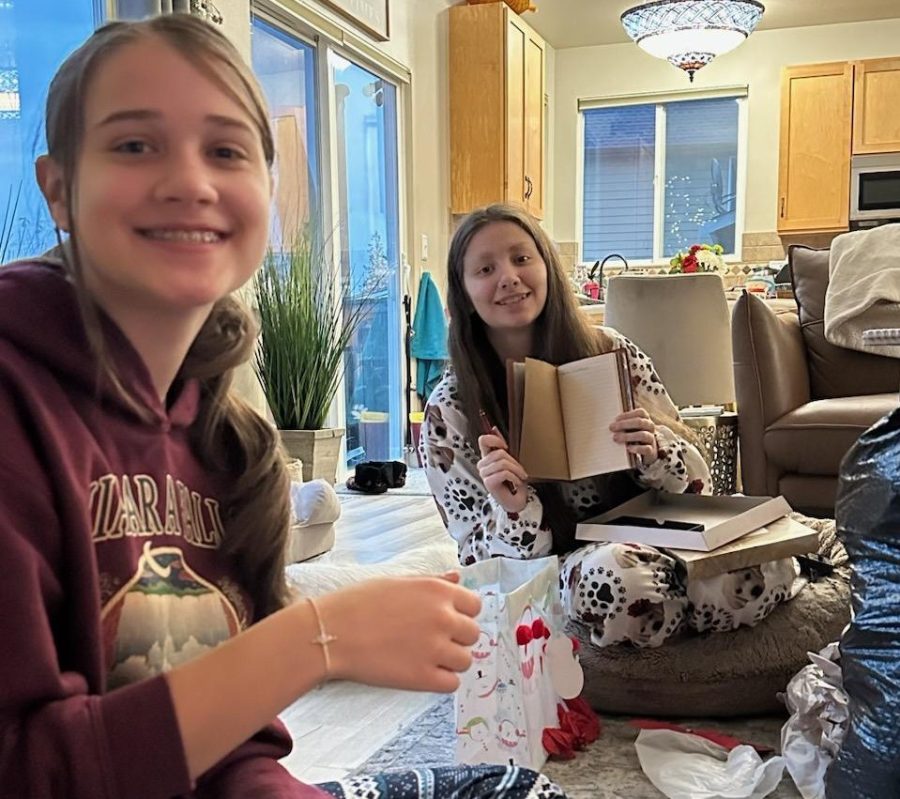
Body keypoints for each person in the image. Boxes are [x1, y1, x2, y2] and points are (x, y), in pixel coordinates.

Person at [0, 16, 567, 799]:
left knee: (516, 789)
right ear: (58, 187)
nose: (191, 181)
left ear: (266, 194)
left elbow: (234, 754)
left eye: (226, 150)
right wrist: (314, 640)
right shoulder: (14, 408)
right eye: (134, 145)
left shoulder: (224, 439)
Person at [420, 203, 797, 650]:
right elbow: (477, 561)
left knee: (772, 557)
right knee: (619, 580)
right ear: (462, 293)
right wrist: (517, 509)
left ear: (546, 267)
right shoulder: (451, 409)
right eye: (485, 268)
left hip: (657, 539)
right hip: (560, 571)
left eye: (522, 258)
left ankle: (661, 617)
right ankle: (671, 613)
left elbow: (698, 486)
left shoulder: (612, 351)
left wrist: (656, 451)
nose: (508, 277)